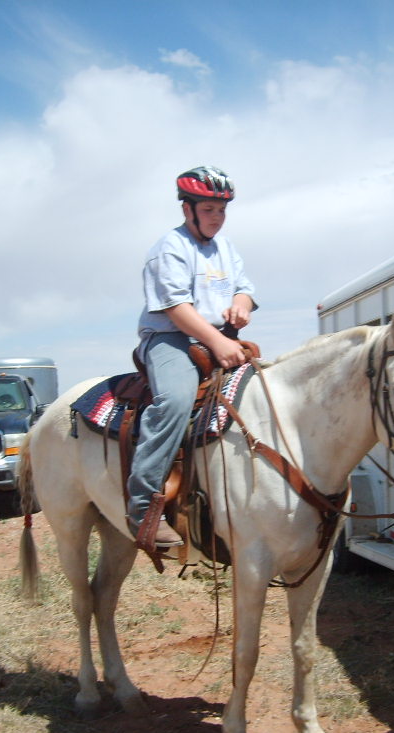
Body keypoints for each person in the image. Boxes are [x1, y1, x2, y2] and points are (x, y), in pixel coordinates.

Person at [126, 166, 257, 550]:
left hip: (219, 336)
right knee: (176, 401)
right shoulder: (169, 248)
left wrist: (239, 304)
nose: (217, 217)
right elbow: (175, 308)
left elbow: (245, 288)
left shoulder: (225, 248)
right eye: (209, 209)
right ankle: (141, 507)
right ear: (188, 210)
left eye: (222, 210)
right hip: (170, 338)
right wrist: (217, 342)